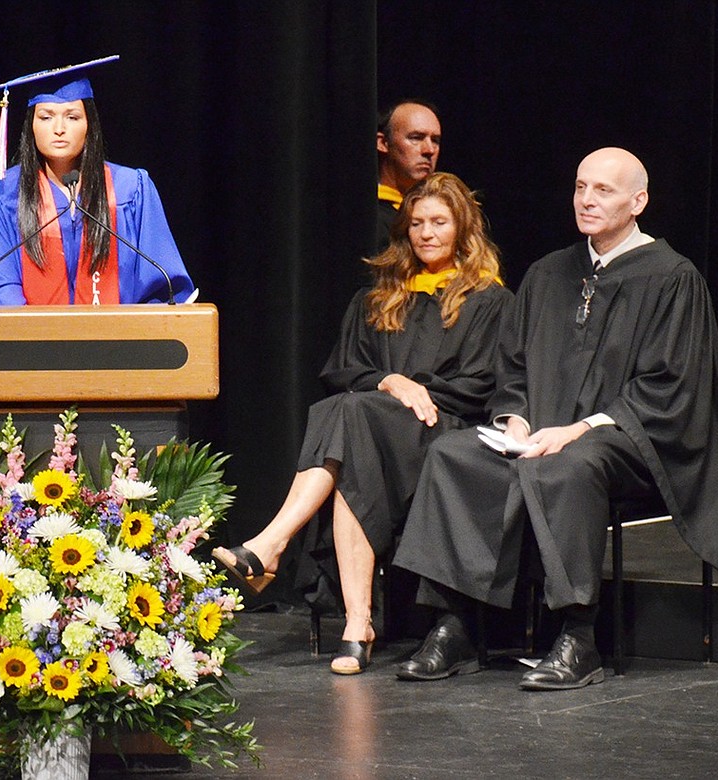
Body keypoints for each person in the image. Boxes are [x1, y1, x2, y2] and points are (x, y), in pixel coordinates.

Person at [393, 147, 718, 690]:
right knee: (453, 454)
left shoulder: (671, 278)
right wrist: (517, 420)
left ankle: (579, 636)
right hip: (540, 435)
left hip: (624, 439)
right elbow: (514, 367)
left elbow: (670, 384)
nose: (587, 200)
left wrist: (579, 428)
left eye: (603, 190)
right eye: (580, 187)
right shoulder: (550, 272)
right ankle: (454, 625)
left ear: (638, 201)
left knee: (571, 466)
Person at [213, 173, 512, 674]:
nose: (426, 233)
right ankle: (356, 625)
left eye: (439, 222)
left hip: (446, 431)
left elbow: (482, 385)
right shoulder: (378, 299)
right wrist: (391, 381)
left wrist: (412, 393)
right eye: (416, 223)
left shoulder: (489, 301)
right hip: (379, 434)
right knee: (352, 425)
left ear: (463, 228)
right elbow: (341, 370)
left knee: (348, 418)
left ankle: (272, 544)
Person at [0, 58, 195, 306]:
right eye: (46, 117)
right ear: (30, 126)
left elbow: (161, 290)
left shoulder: (131, 190)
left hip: (120, 343)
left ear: (89, 125)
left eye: (72, 117)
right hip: (30, 343)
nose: (59, 128)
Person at [374, 100, 442, 253]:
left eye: (435, 140)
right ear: (383, 143)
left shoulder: (448, 215)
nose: (429, 150)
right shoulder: (370, 218)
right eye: (416, 138)